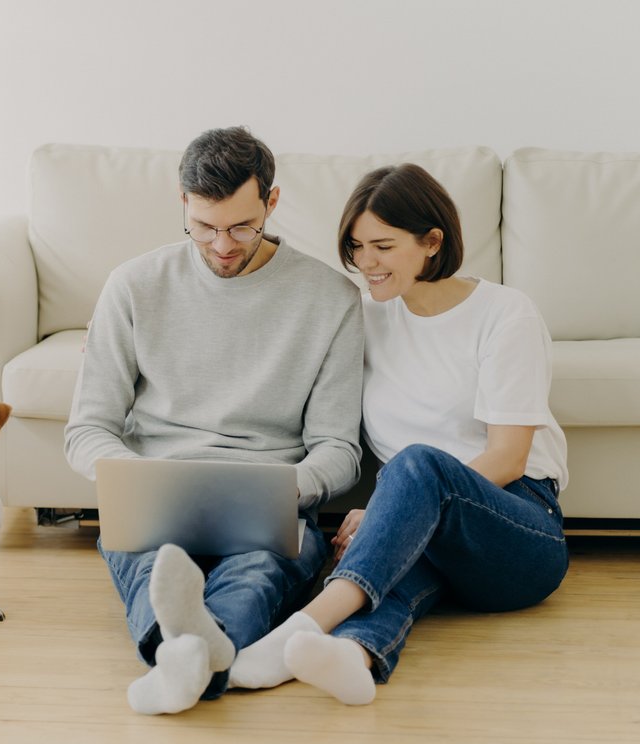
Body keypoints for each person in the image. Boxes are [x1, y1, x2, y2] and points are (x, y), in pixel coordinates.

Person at [231, 163, 569, 705]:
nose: (365, 263)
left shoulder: (505, 314)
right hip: (424, 534)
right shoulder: (364, 318)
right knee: (389, 573)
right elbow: (274, 352)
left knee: (415, 463)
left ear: (432, 242)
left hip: (519, 530)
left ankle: (298, 629)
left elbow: (508, 458)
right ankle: (353, 657)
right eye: (356, 246)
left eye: (383, 246)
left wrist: (386, 508)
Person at [64, 126, 365, 715]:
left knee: (258, 574)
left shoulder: (331, 299)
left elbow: (338, 448)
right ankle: (197, 658)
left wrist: (289, 487)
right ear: (183, 202)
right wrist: (134, 479)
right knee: (152, 567)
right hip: (154, 497)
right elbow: (88, 429)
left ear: (272, 202)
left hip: (269, 505)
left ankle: (179, 663)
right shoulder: (133, 285)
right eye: (203, 227)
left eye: (241, 227)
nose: (222, 245)